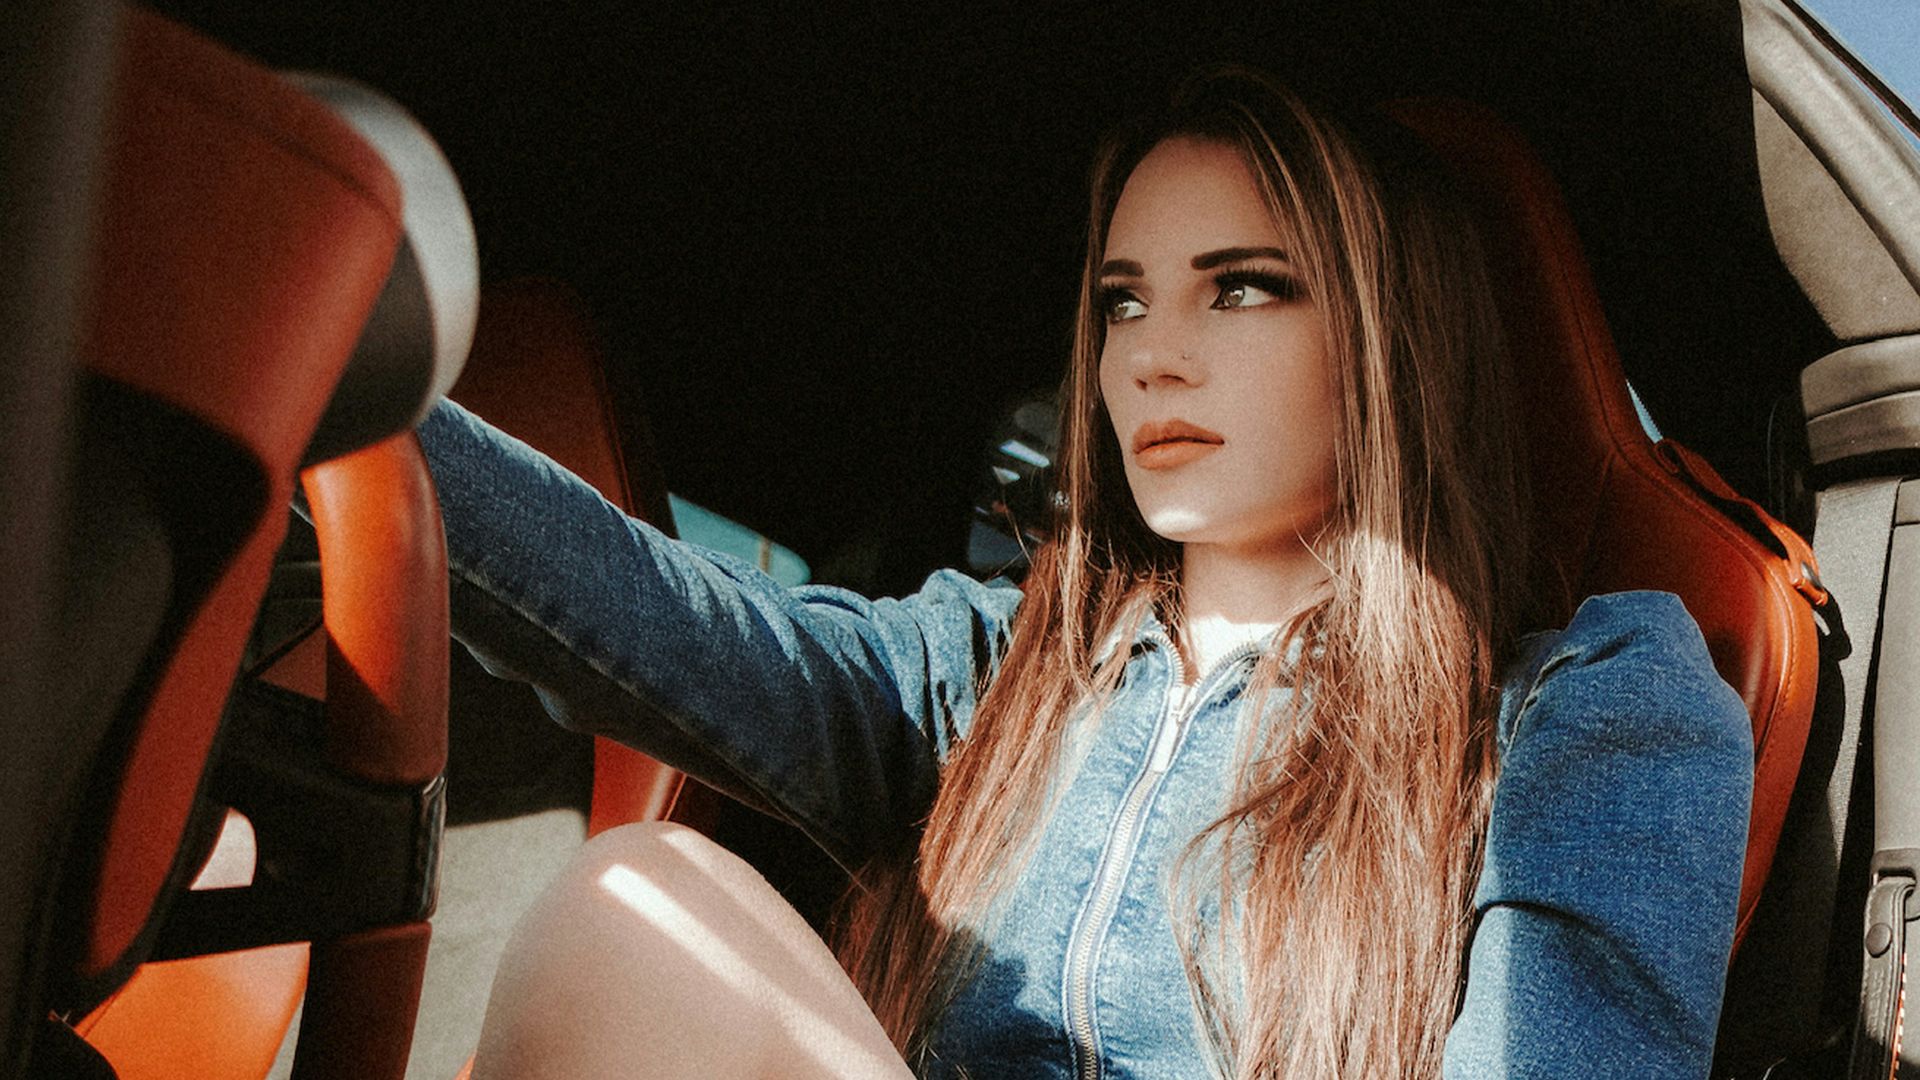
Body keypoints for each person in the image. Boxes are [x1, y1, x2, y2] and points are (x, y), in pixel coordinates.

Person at [420, 66, 1752, 1079]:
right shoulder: (1003, 672)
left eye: (1240, 289)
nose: (1152, 357)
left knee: (634, 904)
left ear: (1392, 339)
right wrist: (344, 394)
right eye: (1123, 301)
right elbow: (654, 618)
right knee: (645, 897)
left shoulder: (1581, 709)